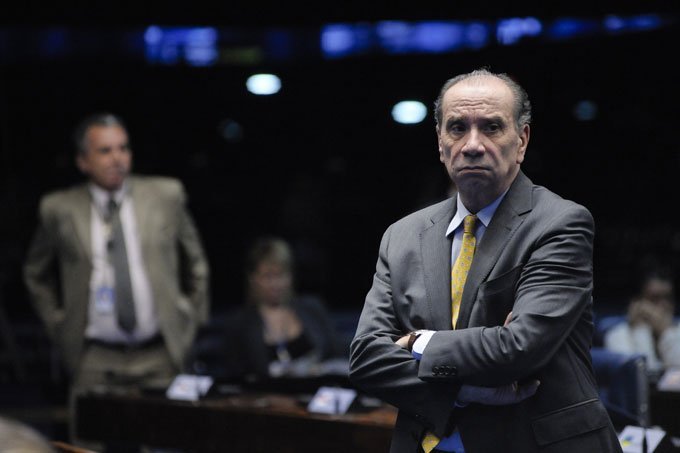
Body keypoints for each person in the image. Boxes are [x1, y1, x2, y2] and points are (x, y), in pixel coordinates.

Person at [349, 68, 621, 452]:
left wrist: (416, 341)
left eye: (491, 127)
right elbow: (365, 359)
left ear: (521, 140)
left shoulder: (560, 223)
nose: (472, 144)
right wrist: (463, 391)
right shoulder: (402, 235)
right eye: (457, 127)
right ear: (440, 142)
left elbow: (519, 348)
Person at [23, 112, 210, 446]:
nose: (117, 159)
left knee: (167, 444)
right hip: (95, 356)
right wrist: (59, 323)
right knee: (87, 444)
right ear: (83, 161)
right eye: (105, 151)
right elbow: (36, 272)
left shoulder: (165, 195)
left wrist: (187, 319)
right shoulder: (59, 208)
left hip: (159, 353)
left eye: (123, 148)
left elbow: (196, 263)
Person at [224, 236, 346, 380]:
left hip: (316, 394)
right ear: (253, 279)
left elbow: (337, 354)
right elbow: (235, 376)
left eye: (281, 275)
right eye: (268, 276)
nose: (276, 284)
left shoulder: (313, 309)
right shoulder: (239, 324)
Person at [604, 265, 680, 376]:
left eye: (668, 298)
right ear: (636, 303)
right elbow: (643, 380)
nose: (663, 306)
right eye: (654, 299)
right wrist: (641, 331)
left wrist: (667, 332)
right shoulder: (618, 336)